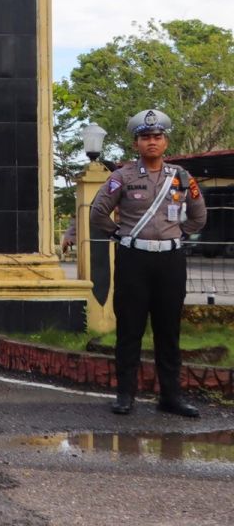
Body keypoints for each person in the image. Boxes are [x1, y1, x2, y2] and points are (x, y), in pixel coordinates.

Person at [90, 109, 207, 418]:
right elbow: (98, 212)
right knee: (130, 329)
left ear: (166, 141)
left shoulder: (181, 177)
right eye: (145, 137)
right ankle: (125, 395)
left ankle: (171, 397)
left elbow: (199, 215)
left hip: (170, 261)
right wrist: (119, 234)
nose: (151, 142)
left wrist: (179, 233)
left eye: (157, 137)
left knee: (168, 331)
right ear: (136, 143)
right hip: (134, 260)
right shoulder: (122, 177)